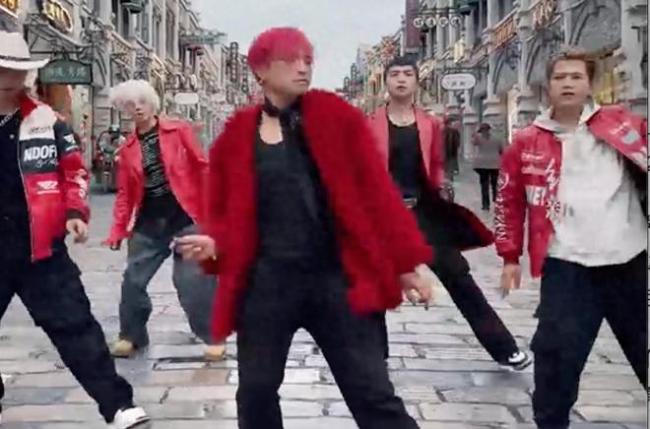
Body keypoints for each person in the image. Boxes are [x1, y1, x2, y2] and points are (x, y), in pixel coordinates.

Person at [177, 27, 437, 429]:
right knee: (256, 392)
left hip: (336, 278)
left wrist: (405, 264)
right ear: (261, 70)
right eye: (290, 60)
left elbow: (375, 193)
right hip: (267, 282)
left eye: (308, 61)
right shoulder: (236, 135)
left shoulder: (337, 118)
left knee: (371, 393)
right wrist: (216, 242)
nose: (302, 69)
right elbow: (226, 213)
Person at [0, 28, 148, 429]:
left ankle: (117, 405)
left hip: (40, 246)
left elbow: (73, 171)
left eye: (16, 69)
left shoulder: (47, 121)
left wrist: (74, 211)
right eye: (2, 69)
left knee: (75, 325)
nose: (10, 77)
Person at [496, 48, 647, 429]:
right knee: (557, 357)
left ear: (589, 84)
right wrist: (510, 257)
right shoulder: (527, 141)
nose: (568, 84)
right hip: (567, 264)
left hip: (629, 259)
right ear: (547, 86)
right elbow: (508, 200)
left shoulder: (623, 125)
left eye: (576, 77)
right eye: (560, 77)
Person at [368, 55, 532, 371]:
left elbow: (437, 164)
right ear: (386, 82)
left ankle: (505, 349)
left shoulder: (431, 123)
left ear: (416, 81)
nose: (400, 79)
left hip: (425, 213)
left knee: (459, 279)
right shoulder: (369, 123)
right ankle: (375, 356)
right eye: (394, 74)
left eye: (407, 74)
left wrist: (442, 186)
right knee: (376, 283)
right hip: (384, 215)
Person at [103, 80, 224, 361]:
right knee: (133, 281)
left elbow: (202, 168)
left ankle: (213, 335)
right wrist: (117, 230)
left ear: (152, 103)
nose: (137, 108)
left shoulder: (179, 131)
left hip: (185, 217)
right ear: (124, 110)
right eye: (130, 105)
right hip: (149, 222)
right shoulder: (127, 149)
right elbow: (125, 195)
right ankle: (131, 335)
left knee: (192, 282)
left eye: (142, 102)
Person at [472, 123, 505, 211]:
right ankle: (496, 199)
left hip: (482, 164)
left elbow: (473, 143)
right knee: (495, 183)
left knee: (484, 185)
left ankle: (485, 205)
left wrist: (476, 132)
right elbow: (502, 150)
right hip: (495, 164)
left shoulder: (478, 138)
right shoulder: (497, 138)